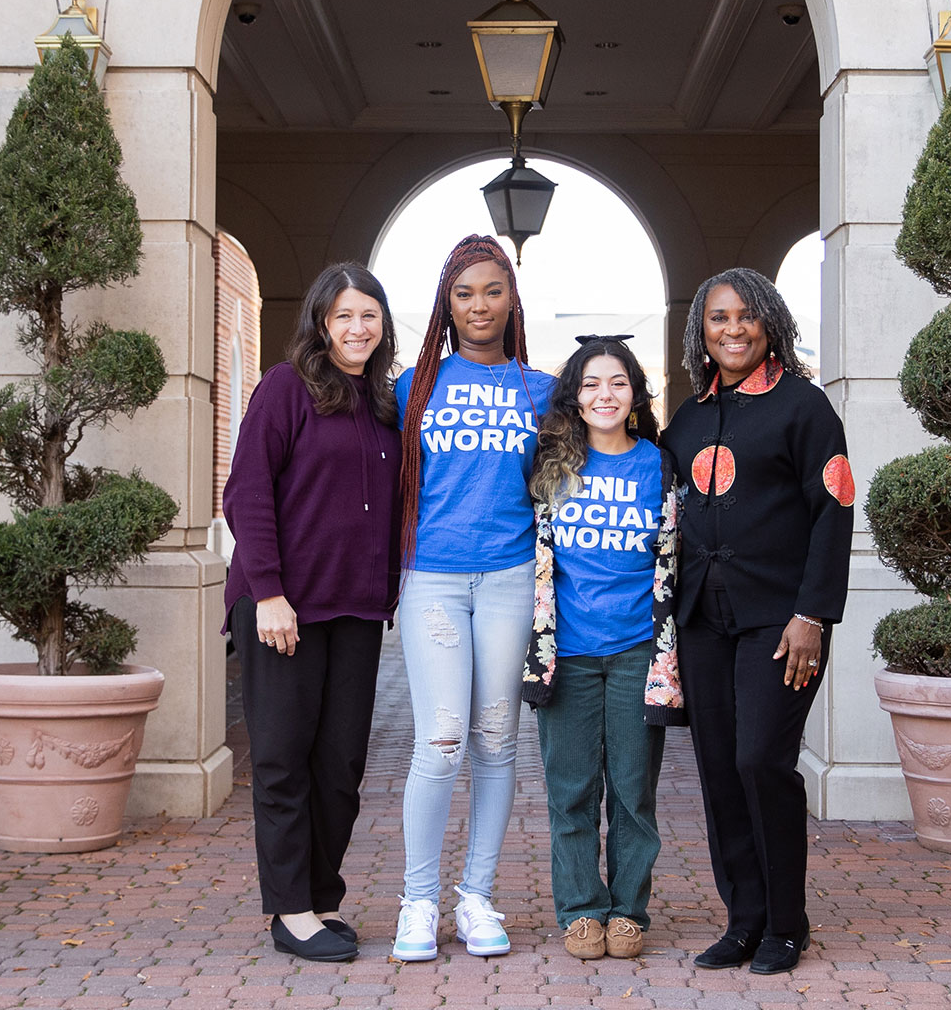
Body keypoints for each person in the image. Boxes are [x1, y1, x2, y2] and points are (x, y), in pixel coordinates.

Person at [659, 268, 855, 976]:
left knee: (760, 762)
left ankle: (786, 924)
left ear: (769, 322)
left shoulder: (805, 408)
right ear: (700, 331)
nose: (732, 329)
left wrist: (814, 614)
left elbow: (835, 511)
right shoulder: (685, 419)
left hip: (782, 622)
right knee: (717, 769)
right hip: (704, 623)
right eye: (718, 318)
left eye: (746, 316)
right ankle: (742, 921)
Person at [221, 261, 402, 963]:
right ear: (322, 323)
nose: (358, 328)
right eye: (345, 315)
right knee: (283, 760)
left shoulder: (383, 406)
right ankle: (290, 910)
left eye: (370, 315)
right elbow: (247, 492)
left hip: (354, 613)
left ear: (383, 326)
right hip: (282, 609)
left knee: (339, 764)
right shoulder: (286, 388)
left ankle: (323, 898)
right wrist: (267, 591)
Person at [391, 234, 553, 961]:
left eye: (492, 290)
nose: (479, 305)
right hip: (434, 578)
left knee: (495, 739)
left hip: (510, 579)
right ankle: (418, 901)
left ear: (512, 299)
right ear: (446, 305)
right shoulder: (412, 389)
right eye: (465, 293)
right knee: (441, 739)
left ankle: (477, 897)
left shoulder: (540, 390)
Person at [522, 335, 684, 961]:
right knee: (571, 788)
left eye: (617, 382)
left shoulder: (659, 465)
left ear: (636, 394)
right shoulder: (551, 467)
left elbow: (677, 557)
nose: (604, 394)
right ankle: (582, 909)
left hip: (639, 651)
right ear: (574, 395)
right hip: (568, 652)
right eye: (590, 383)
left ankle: (629, 910)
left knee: (632, 790)